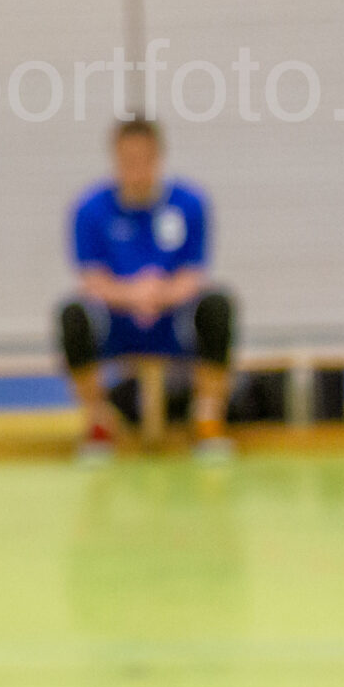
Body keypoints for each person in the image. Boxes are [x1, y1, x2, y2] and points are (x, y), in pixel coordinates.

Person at [56, 118, 236, 462]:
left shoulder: (188, 204)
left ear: (159, 158)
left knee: (218, 306)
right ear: (115, 159)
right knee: (73, 316)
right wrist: (133, 294)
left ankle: (208, 421)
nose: (137, 169)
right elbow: (93, 279)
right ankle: (98, 425)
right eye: (128, 160)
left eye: (145, 159)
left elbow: (192, 275)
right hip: (118, 321)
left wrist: (159, 295)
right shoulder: (90, 209)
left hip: (171, 319)